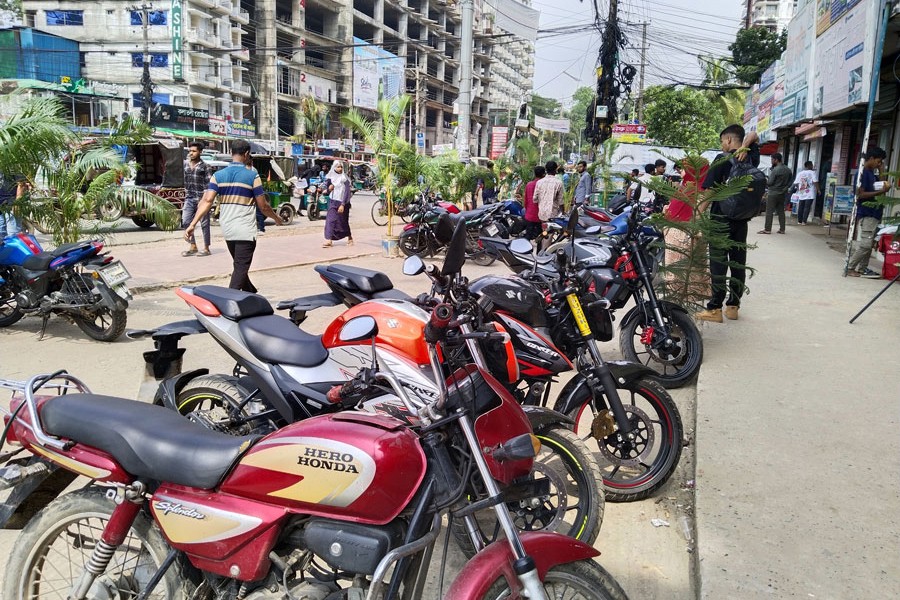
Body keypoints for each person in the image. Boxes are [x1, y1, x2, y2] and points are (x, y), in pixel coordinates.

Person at [185, 139, 283, 293]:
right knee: (240, 267)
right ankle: (230, 300)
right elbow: (263, 206)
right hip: (245, 230)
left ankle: (251, 293)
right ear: (246, 154)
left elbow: (207, 200)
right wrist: (277, 219)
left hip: (228, 228)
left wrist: (192, 224)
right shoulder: (252, 176)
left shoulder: (218, 175)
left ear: (232, 153)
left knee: (239, 265)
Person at [696, 124, 760, 323]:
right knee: (737, 262)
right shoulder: (751, 157)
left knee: (719, 264)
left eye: (723, 141)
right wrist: (746, 145)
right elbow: (754, 135)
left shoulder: (721, 159)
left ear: (729, 140)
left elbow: (709, 192)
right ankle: (733, 306)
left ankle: (715, 308)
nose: (722, 145)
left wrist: (697, 216)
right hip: (741, 220)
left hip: (720, 220)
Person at [664, 159, 710, 301]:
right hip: (679, 232)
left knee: (682, 267)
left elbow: (697, 214)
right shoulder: (687, 187)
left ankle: (685, 296)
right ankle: (684, 294)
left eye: (684, 168)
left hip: (685, 233)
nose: (681, 171)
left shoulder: (700, 191)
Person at [847, 146, 891, 278]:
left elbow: (882, 184)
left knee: (870, 242)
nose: (879, 164)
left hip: (875, 212)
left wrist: (882, 171)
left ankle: (863, 268)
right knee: (866, 244)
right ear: (871, 158)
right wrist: (880, 192)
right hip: (867, 212)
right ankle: (849, 266)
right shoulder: (862, 173)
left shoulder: (872, 173)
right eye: (878, 161)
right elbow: (860, 194)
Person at [182, 142, 212, 256]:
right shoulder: (186, 165)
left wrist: (203, 201)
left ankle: (206, 248)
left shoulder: (205, 166)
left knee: (204, 223)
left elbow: (208, 186)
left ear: (200, 152)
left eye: (194, 151)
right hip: (189, 197)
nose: (191, 153)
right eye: (190, 151)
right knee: (185, 221)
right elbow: (185, 181)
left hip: (202, 198)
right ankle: (193, 246)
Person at [322, 160, 353, 247]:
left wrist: (343, 204)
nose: (340, 169)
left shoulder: (344, 178)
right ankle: (329, 240)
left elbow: (347, 192)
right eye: (338, 167)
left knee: (342, 222)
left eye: (341, 167)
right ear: (334, 167)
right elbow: (327, 189)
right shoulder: (330, 177)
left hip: (343, 202)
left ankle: (350, 237)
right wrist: (328, 189)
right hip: (333, 201)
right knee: (330, 220)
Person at [759, 152, 792, 234]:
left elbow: (770, 183)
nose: (771, 161)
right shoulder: (788, 170)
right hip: (783, 193)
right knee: (781, 211)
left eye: (772, 159)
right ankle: (782, 229)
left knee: (769, 211)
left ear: (776, 160)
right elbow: (790, 181)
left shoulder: (775, 170)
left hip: (773, 193)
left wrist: (766, 180)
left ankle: (767, 229)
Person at [523, 165, 546, 240]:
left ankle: (525, 250)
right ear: (543, 174)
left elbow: (525, 200)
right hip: (540, 216)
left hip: (530, 214)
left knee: (528, 235)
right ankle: (539, 251)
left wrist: (527, 210)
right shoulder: (543, 185)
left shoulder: (529, 184)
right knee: (540, 237)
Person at [794, 160, 817, 225]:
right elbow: (815, 181)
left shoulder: (800, 173)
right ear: (809, 166)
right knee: (807, 207)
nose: (812, 166)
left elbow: (796, 183)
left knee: (801, 206)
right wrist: (818, 189)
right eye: (812, 165)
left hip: (802, 191)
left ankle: (799, 221)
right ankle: (804, 221)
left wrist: (799, 189)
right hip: (810, 193)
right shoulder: (812, 173)